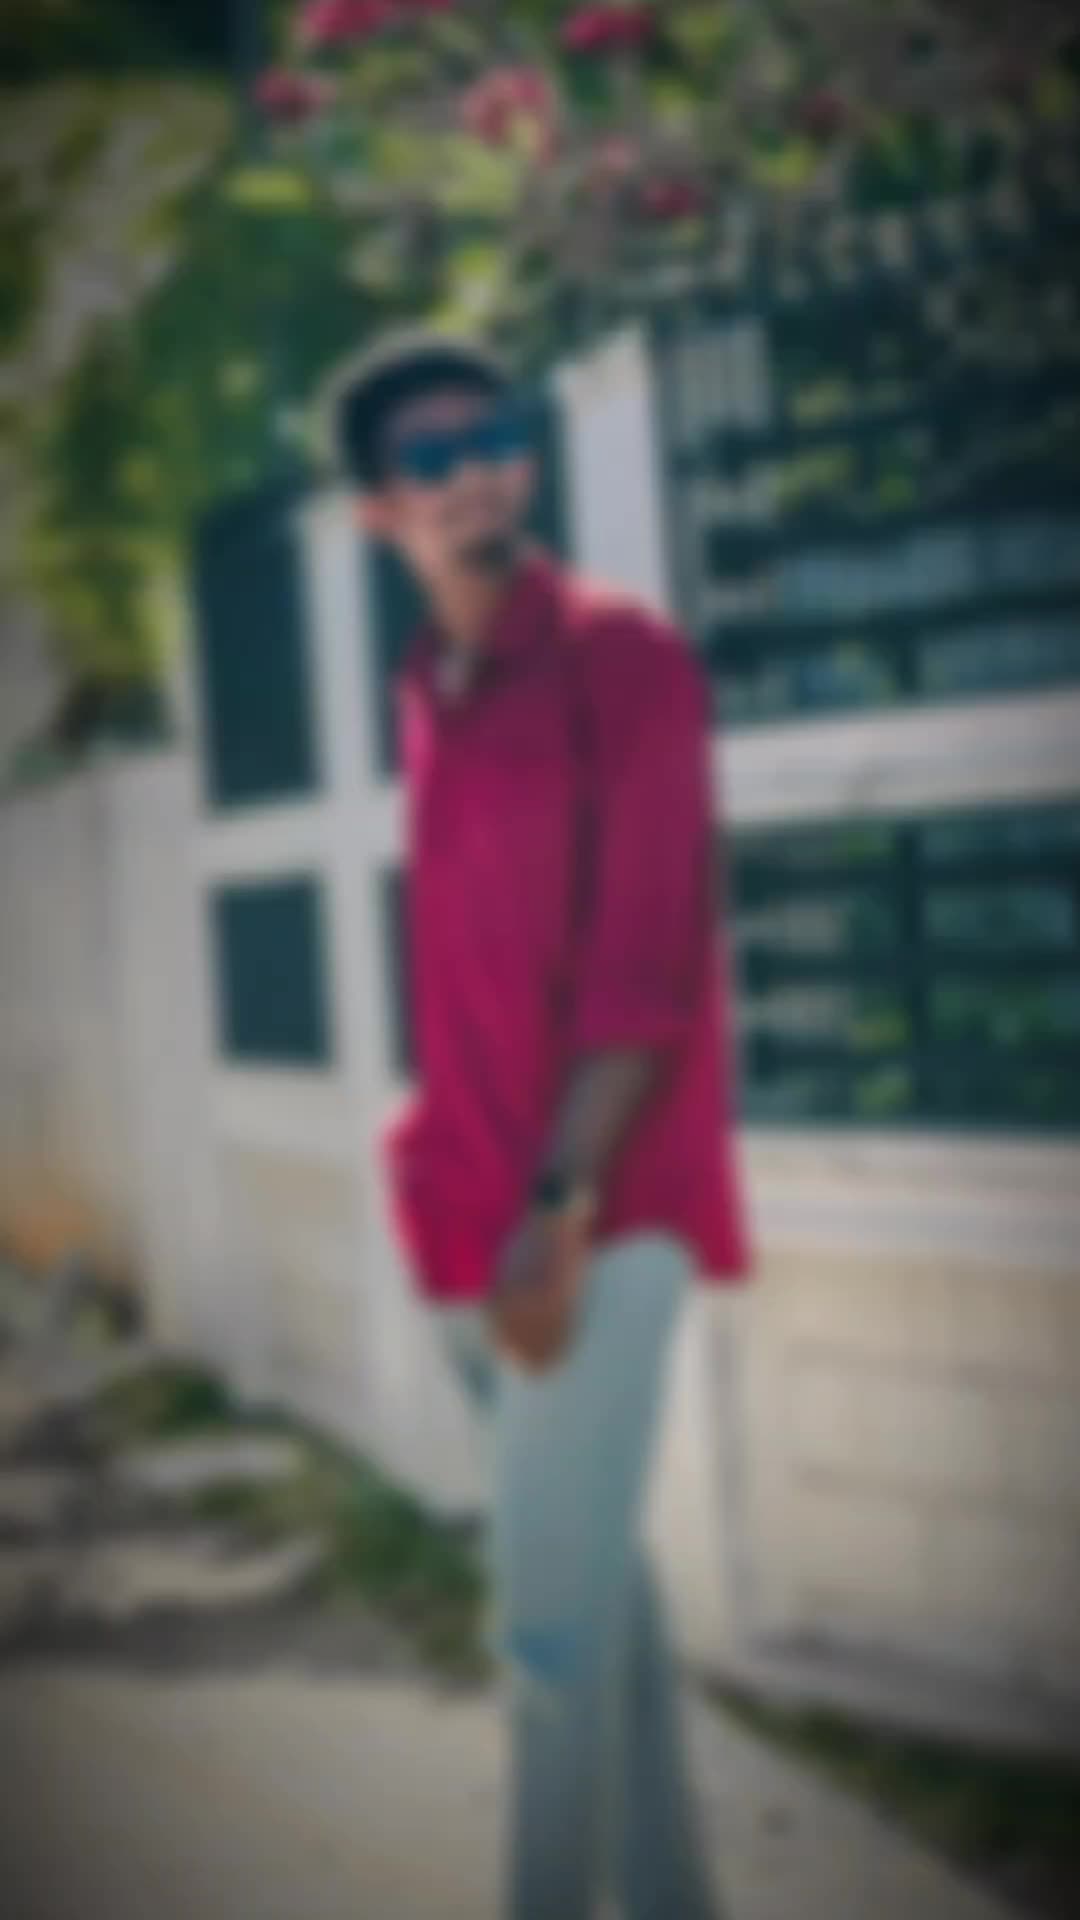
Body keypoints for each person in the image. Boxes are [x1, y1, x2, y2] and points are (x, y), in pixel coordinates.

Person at [333, 328, 751, 1920]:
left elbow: (648, 970)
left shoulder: (623, 658)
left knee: (545, 1639)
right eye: (431, 459)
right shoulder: (425, 683)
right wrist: (449, 1166)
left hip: (596, 1210)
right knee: (604, 1612)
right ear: (380, 510)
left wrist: (558, 1204)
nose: (476, 475)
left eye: (494, 437)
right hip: (464, 1198)